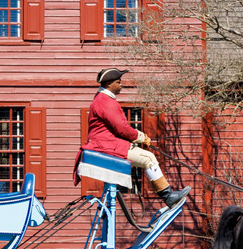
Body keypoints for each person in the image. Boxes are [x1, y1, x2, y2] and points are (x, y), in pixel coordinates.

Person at [74, 67, 190, 207]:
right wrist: (141, 137)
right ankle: (167, 196)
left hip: (106, 144)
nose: (121, 84)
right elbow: (122, 129)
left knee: (145, 156)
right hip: (105, 146)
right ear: (109, 84)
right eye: (118, 82)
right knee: (149, 158)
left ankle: (168, 195)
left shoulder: (101, 99)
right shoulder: (106, 102)